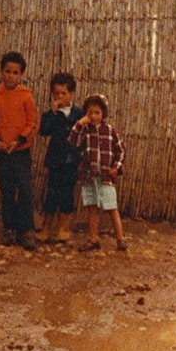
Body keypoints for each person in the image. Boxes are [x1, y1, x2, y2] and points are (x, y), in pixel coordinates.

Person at [0, 51, 39, 251]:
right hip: (3, 153)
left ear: (21, 75)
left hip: (20, 152)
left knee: (24, 189)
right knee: (6, 191)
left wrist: (19, 140)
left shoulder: (26, 97)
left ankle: (26, 230)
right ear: (1, 72)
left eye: (15, 72)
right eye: (7, 71)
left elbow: (32, 123)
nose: (11, 76)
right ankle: (9, 229)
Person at [68, 93, 127, 252]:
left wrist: (116, 167)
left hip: (106, 176)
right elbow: (72, 142)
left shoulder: (110, 131)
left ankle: (120, 239)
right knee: (92, 207)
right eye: (90, 113)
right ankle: (94, 239)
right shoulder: (84, 130)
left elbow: (121, 150)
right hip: (89, 176)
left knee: (111, 207)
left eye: (97, 113)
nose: (93, 116)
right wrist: (79, 124)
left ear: (104, 113)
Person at [37, 72, 84, 244]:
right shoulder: (51, 114)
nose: (60, 97)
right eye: (56, 93)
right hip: (55, 160)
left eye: (64, 93)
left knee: (67, 193)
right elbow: (43, 131)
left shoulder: (79, 114)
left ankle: (63, 227)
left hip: (72, 160)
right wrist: (52, 112)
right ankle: (46, 226)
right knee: (51, 192)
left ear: (72, 94)